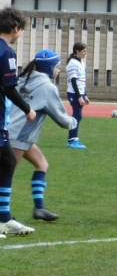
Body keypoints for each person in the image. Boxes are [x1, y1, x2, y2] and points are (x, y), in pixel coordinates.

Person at [9, 50, 78, 222]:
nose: (59, 71)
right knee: (6, 176)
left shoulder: (23, 80)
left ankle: (39, 209)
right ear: (49, 67)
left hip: (14, 133)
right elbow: (62, 120)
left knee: (42, 164)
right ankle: (4, 216)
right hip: (18, 136)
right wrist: (74, 121)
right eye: (57, 67)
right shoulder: (47, 87)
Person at [0, 6, 37, 238]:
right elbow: (10, 88)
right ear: (16, 28)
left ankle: (4, 219)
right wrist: (28, 109)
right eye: (21, 30)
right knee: (6, 162)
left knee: (8, 162)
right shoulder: (7, 53)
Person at [66, 41, 90, 149]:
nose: (85, 53)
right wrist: (79, 96)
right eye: (84, 51)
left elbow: (82, 81)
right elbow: (73, 81)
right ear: (77, 51)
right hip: (74, 93)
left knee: (77, 116)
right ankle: (72, 141)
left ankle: (74, 139)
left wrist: (85, 95)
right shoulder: (73, 63)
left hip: (80, 92)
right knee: (77, 115)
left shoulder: (81, 62)